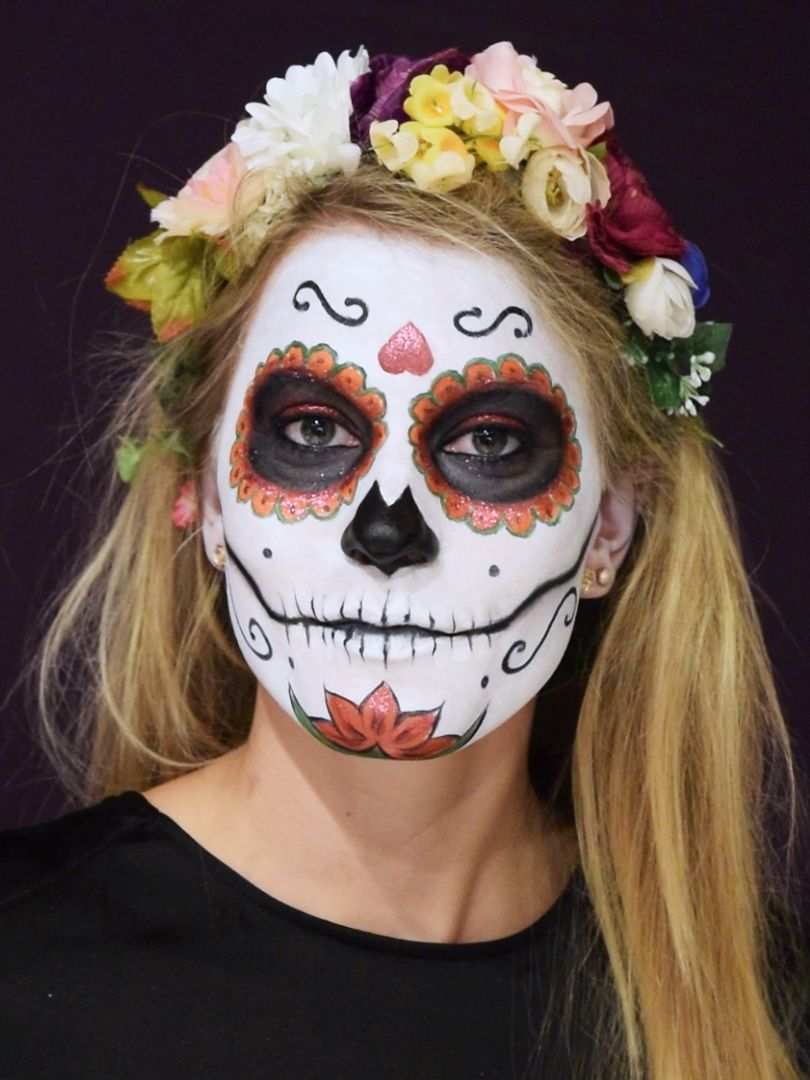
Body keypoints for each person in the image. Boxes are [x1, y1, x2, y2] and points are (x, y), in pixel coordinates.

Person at [1, 41, 806, 1080]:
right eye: (311, 429)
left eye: (490, 442)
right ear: (203, 494)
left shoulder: (756, 1006)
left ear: (610, 525)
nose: (387, 532)